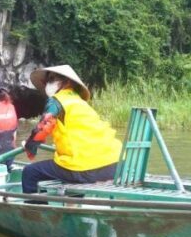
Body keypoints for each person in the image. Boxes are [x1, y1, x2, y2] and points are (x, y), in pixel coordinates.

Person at [21, 65, 122, 196]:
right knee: (71, 169)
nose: (47, 84)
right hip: (115, 165)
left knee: (30, 173)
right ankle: (73, 204)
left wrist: (30, 146)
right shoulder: (81, 103)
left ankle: (36, 208)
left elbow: (44, 126)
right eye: (46, 81)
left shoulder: (57, 101)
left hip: (86, 168)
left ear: (67, 82)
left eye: (51, 79)